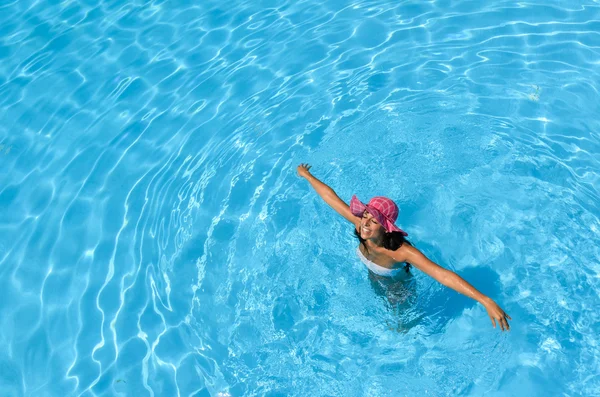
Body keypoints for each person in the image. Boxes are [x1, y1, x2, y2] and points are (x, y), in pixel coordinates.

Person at [297, 163, 511, 331]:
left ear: (386, 229)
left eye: (374, 221)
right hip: (374, 275)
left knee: (402, 325)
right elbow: (330, 198)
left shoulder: (401, 252)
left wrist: (485, 300)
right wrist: (307, 176)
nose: (365, 223)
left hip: (397, 287)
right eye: (365, 216)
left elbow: (443, 275)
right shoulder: (360, 226)